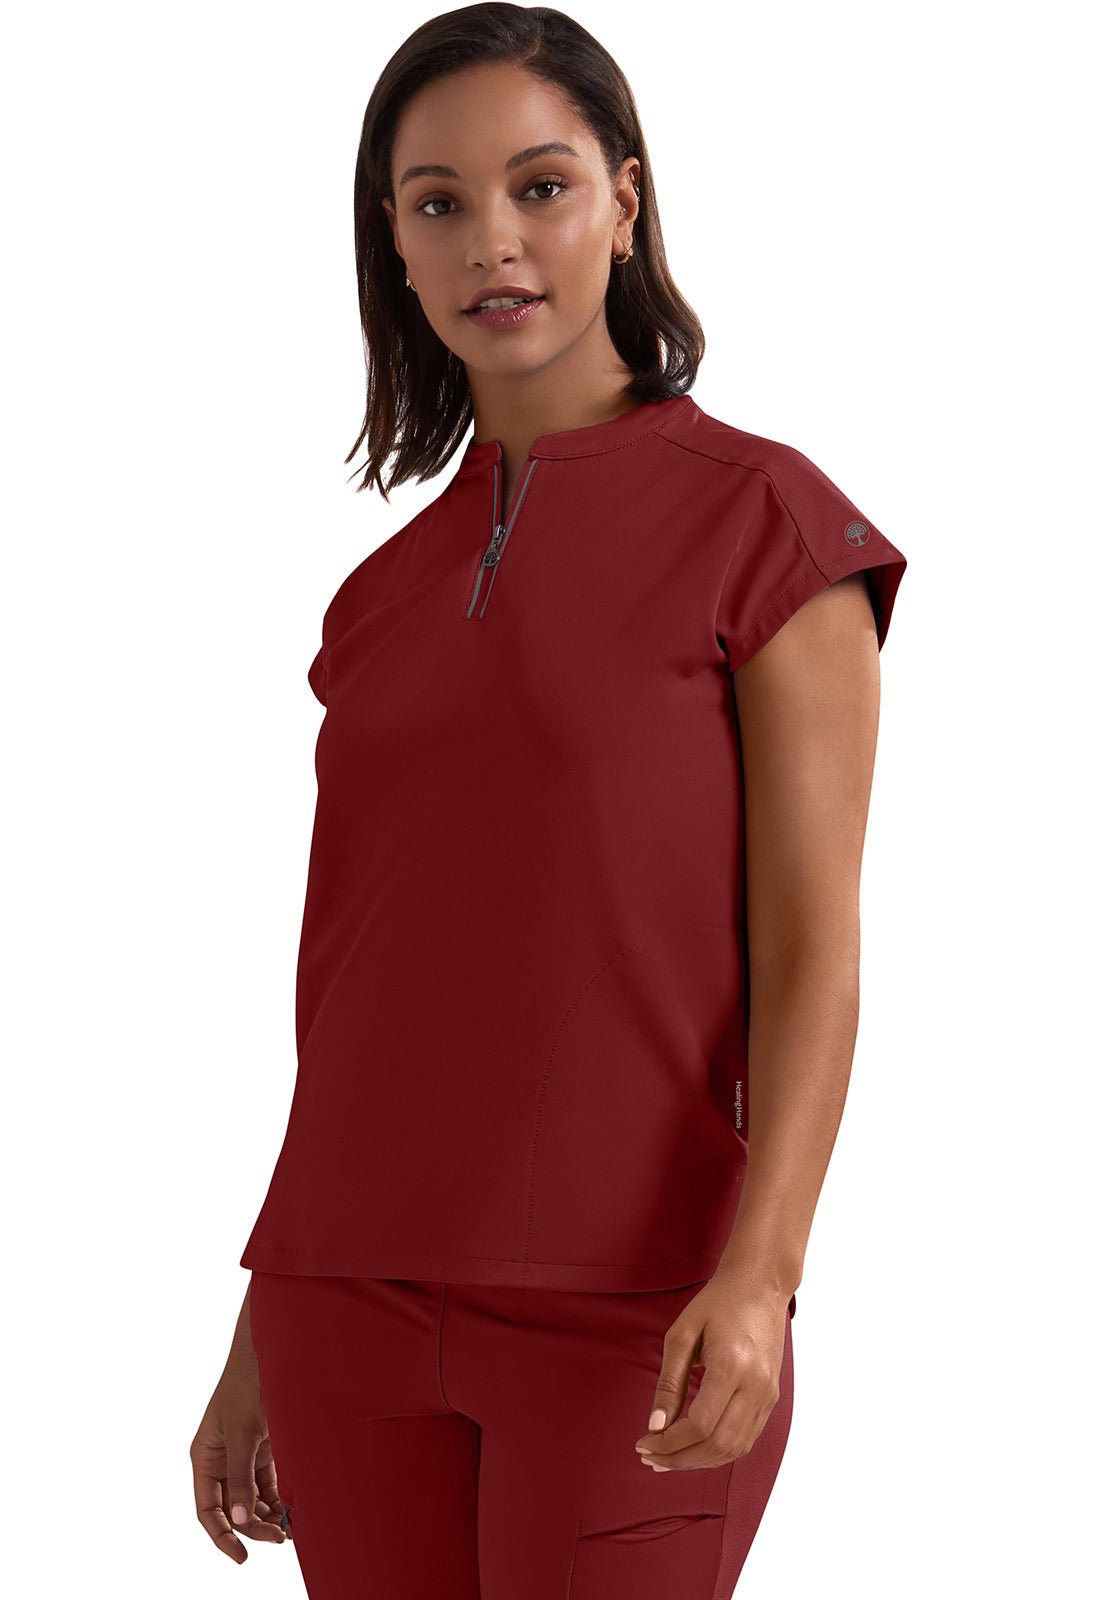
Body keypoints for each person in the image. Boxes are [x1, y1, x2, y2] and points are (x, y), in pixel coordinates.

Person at [189, 6, 908, 1595]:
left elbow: (812, 955)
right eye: (438, 202)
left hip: (633, 1309)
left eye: (541, 186)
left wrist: (763, 1275)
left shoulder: (772, 531)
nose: (492, 242)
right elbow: (362, 988)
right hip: (341, 1306)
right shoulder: (378, 598)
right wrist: (259, 1317)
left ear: (625, 203)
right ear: (392, 242)